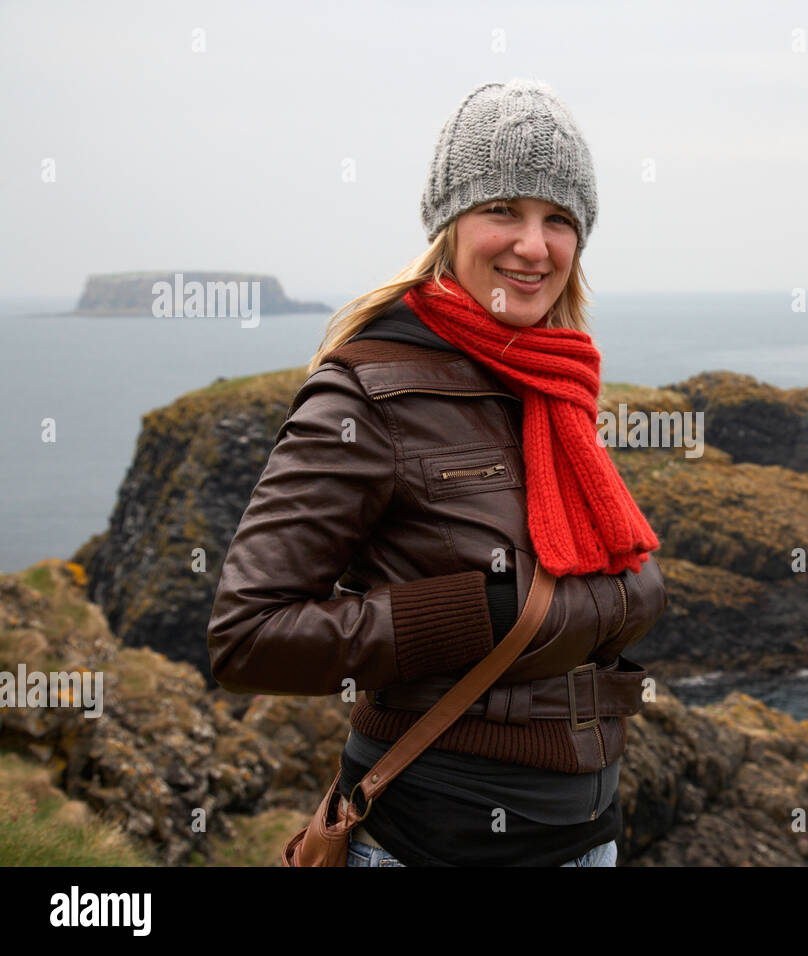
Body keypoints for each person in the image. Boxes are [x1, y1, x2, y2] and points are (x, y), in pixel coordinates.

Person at [206, 78, 668, 867]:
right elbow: (247, 638)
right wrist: (462, 613)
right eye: (504, 211)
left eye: (558, 219)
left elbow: (568, 609)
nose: (533, 245)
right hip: (428, 844)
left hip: (588, 842)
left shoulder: (555, 386)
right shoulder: (365, 390)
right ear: (449, 224)